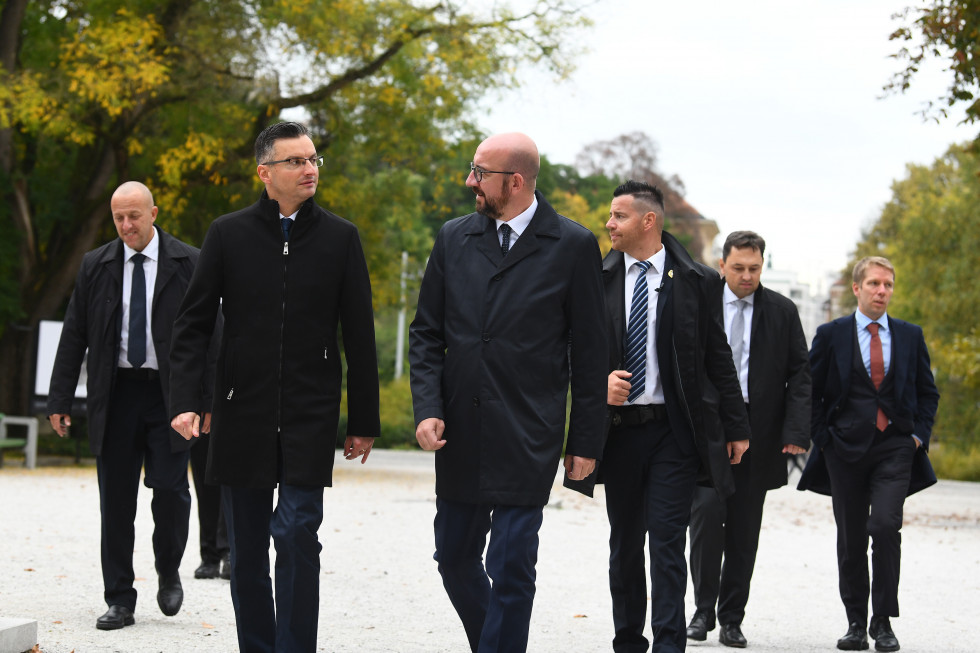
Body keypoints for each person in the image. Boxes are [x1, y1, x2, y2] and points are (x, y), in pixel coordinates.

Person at [169, 121, 380, 653]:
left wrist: (364, 420)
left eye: (313, 160)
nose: (310, 169)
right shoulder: (228, 234)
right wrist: (185, 401)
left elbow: (359, 333)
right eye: (296, 162)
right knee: (246, 550)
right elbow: (192, 324)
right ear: (266, 173)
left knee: (297, 535)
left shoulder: (340, 237)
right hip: (241, 414)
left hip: (310, 414)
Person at [409, 132, 608, 653]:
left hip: (529, 433)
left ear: (515, 182)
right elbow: (426, 332)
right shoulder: (453, 237)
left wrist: (584, 443)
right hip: (460, 430)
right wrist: (427, 408)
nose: (470, 181)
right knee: (453, 558)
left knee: (512, 565)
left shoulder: (574, 245)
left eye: (480, 173)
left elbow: (590, 355)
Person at [567, 179, 751, 653]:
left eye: (619, 216)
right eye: (610, 215)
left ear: (648, 221)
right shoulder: (594, 276)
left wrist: (736, 425)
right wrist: (596, 384)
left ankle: (671, 645)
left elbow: (717, 358)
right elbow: (569, 350)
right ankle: (628, 641)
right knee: (625, 545)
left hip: (674, 433)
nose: (609, 223)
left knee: (667, 544)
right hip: (620, 433)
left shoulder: (698, 280)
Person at [47, 181, 214, 630]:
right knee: (115, 503)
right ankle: (120, 598)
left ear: (154, 212)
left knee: (172, 492)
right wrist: (60, 397)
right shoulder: (95, 265)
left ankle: (168, 570)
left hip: (171, 399)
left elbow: (211, 334)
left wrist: (209, 400)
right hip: (116, 395)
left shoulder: (190, 262)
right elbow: (74, 333)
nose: (126, 225)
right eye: (118, 217)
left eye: (134, 216)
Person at [799, 256, 939, 652]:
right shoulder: (832, 334)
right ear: (857, 289)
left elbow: (928, 393)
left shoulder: (910, 335)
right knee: (852, 537)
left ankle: (883, 622)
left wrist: (917, 437)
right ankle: (856, 622)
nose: (882, 291)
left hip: (895, 446)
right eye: (875, 283)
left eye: (888, 284)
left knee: (885, 527)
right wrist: (822, 438)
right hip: (843, 449)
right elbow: (812, 390)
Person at [686, 231, 811, 648]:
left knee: (744, 527)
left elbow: (800, 375)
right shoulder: (702, 304)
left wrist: (795, 432)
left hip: (760, 430)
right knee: (704, 516)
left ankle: (731, 618)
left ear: (762, 266)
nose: (746, 276)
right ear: (722, 265)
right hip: (709, 425)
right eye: (738, 268)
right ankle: (702, 610)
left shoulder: (782, 311)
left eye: (754, 269)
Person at [188, 427, 230, 579]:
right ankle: (209, 554)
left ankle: (229, 550)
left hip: (232, 407)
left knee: (231, 480)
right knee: (204, 480)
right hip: (200, 411)